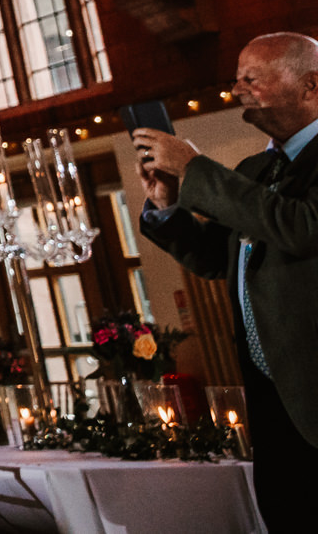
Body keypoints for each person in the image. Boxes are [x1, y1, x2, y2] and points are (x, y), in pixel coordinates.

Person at [136, 31, 318, 529]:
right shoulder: (256, 169)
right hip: (271, 398)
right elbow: (218, 257)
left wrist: (196, 167)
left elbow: (300, 227)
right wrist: (167, 205)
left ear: (310, 83)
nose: (237, 88)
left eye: (251, 78)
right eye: (237, 77)